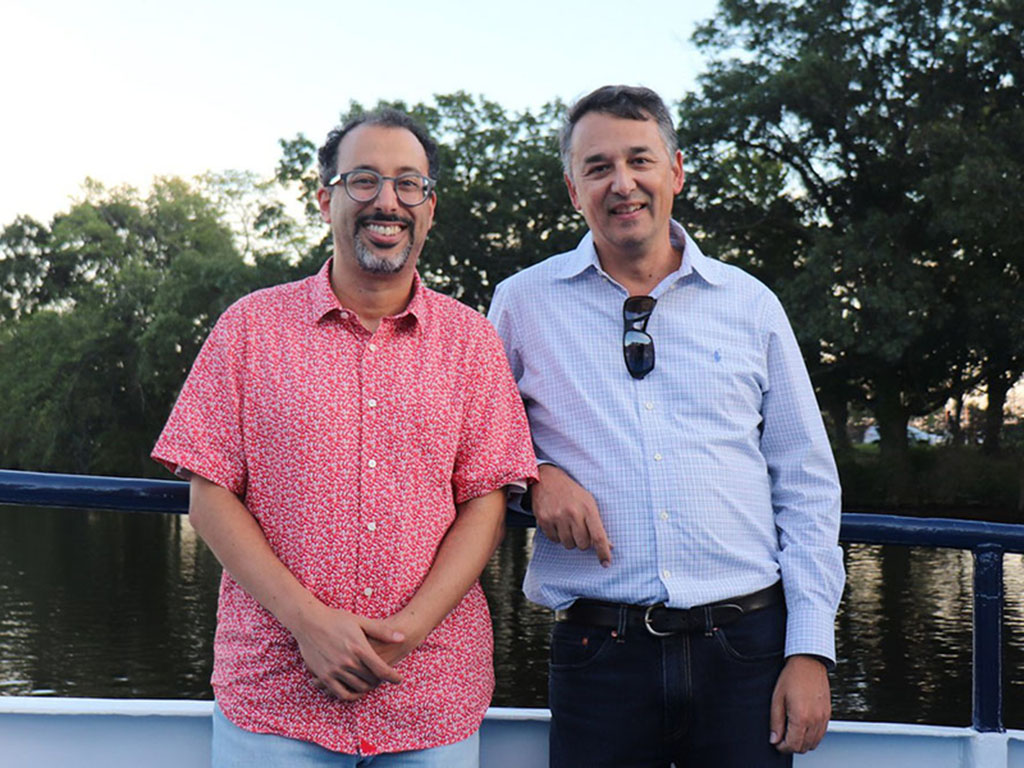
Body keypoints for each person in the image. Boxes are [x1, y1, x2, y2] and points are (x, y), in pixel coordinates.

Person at [152, 108, 537, 767]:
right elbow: (209, 492)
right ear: (324, 197)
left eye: (407, 183)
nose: (386, 201)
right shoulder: (249, 329)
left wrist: (405, 634)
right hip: (274, 700)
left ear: (430, 207)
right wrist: (307, 623)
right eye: (363, 180)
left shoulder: (472, 343)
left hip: (431, 700)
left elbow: (485, 502)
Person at [488, 85, 844, 767]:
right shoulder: (521, 303)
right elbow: (474, 443)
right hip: (599, 655)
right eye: (598, 168)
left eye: (640, 160)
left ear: (675, 171)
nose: (623, 184)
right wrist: (537, 478)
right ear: (573, 189)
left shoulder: (751, 304)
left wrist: (808, 649)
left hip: (749, 652)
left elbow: (806, 484)